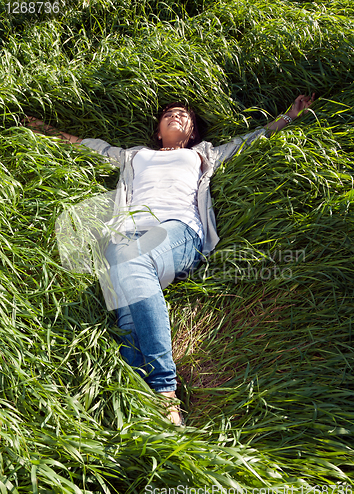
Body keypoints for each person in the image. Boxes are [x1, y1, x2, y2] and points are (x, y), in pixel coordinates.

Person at [22, 93, 315, 425]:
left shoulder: (204, 155)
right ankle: (140, 413)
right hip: (127, 232)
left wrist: (290, 116)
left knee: (132, 267)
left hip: (178, 230)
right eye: (169, 114)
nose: (176, 116)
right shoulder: (134, 156)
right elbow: (89, 146)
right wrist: (43, 129)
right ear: (159, 130)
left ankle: (164, 391)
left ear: (191, 132)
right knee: (127, 316)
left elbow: (253, 138)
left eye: (184, 115)